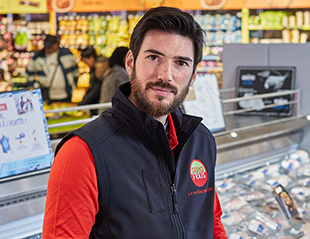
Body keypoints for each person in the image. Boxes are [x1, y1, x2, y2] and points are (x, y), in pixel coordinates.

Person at [43, 6, 228, 239]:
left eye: (180, 63)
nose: (165, 75)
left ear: (193, 76)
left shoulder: (200, 140)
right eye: (154, 57)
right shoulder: (83, 152)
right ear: (130, 62)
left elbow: (211, 222)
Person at [25, 35, 79, 103]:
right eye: (47, 47)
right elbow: (28, 75)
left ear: (56, 44)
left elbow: (76, 71)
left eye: (50, 47)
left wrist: (73, 85)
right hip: (46, 96)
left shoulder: (67, 54)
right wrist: (36, 86)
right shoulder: (37, 58)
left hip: (66, 94)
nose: (48, 49)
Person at [78, 46, 109, 115]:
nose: (87, 65)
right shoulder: (96, 67)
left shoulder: (100, 68)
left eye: (86, 62)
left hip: (101, 105)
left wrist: (82, 103)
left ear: (91, 58)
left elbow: (95, 89)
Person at [98, 46, 130, 114]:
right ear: (125, 59)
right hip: (114, 113)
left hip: (106, 111)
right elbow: (126, 95)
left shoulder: (111, 72)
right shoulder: (119, 74)